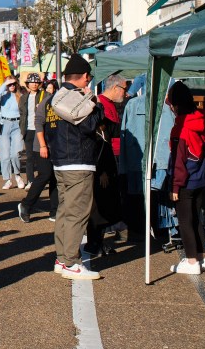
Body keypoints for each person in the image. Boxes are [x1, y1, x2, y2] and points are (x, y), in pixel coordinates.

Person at [44, 55, 104, 280]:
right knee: (77, 213)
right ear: (85, 76)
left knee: (64, 211)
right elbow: (89, 125)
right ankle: (71, 262)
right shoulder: (76, 98)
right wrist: (97, 106)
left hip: (60, 162)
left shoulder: (54, 98)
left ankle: (62, 258)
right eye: (89, 78)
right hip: (78, 160)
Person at [167, 80, 205, 275]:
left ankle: (192, 261)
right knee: (196, 219)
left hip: (185, 181)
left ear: (176, 105)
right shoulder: (200, 119)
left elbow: (178, 161)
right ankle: (200, 258)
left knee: (185, 221)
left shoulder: (180, 128)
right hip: (200, 177)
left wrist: (175, 186)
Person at [85, 74, 127, 257]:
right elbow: (94, 149)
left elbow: (116, 130)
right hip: (98, 170)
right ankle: (93, 245)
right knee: (97, 210)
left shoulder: (105, 121)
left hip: (108, 167)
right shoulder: (92, 127)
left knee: (106, 207)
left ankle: (99, 243)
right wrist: (101, 171)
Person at [18, 79, 59, 223]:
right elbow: (38, 123)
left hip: (57, 146)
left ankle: (54, 211)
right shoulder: (45, 102)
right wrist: (43, 145)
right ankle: (26, 205)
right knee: (45, 174)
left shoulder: (61, 102)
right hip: (41, 144)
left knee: (55, 176)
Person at [0, 75, 26, 189]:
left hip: (17, 125)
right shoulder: (2, 95)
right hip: (4, 124)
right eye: (9, 84)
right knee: (5, 155)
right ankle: (7, 179)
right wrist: (5, 84)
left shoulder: (20, 96)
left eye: (13, 84)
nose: (11, 86)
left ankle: (17, 175)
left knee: (16, 153)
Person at [19, 74, 46, 183]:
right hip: (28, 129)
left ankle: (41, 179)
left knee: (40, 156)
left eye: (36, 82)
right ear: (27, 84)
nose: (34, 84)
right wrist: (22, 128)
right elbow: (21, 114)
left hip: (40, 129)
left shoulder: (45, 95)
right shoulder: (23, 97)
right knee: (29, 157)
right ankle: (30, 180)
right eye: (32, 82)